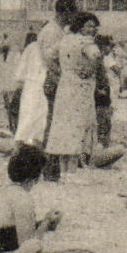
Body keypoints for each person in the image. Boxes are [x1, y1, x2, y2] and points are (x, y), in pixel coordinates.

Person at [43, 13, 102, 176]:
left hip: (64, 85)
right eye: (88, 25)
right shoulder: (85, 42)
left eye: (93, 26)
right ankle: (72, 170)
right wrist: (91, 68)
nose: (92, 29)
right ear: (80, 26)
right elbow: (95, 55)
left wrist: (60, 71)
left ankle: (63, 170)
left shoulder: (65, 40)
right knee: (77, 126)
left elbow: (48, 55)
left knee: (62, 126)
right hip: (80, 88)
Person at [13, 31, 50, 148]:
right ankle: (19, 148)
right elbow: (20, 73)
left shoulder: (52, 48)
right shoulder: (32, 48)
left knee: (41, 121)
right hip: (32, 85)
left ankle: (36, 148)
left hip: (44, 86)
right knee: (27, 118)